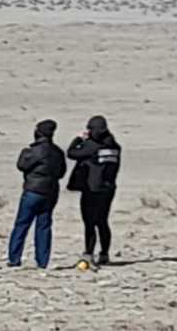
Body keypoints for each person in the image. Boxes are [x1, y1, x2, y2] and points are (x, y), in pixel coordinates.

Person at [8, 119, 67, 269]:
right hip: (50, 191)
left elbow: (21, 165)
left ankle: (14, 258)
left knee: (22, 225)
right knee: (44, 226)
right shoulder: (57, 152)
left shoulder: (34, 151)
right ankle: (42, 261)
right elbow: (61, 172)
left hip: (33, 191)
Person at [67, 115, 122, 266]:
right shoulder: (115, 147)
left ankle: (88, 253)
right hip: (108, 188)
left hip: (91, 189)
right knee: (103, 221)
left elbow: (71, 153)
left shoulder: (91, 146)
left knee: (89, 222)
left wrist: (79, 139)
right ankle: (104, 253)